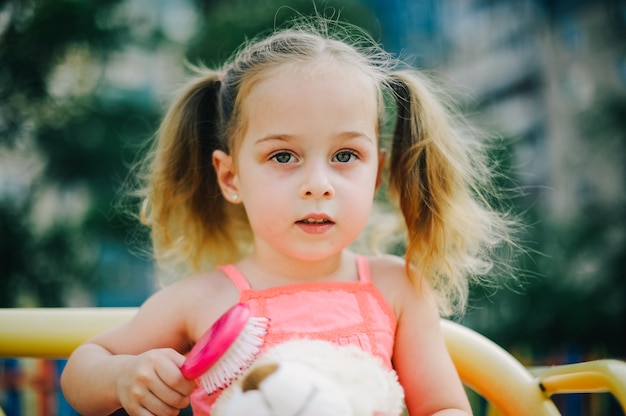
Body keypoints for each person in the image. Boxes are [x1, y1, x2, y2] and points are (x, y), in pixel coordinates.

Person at [61, 17, 515, 416]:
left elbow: (443, 407)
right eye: (283, 156)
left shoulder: (397, 288)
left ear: (376, 173)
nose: (318, 183)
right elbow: (81, 371)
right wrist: (123, 376)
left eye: (344, 154)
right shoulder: (200, 299)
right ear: (231, 175)